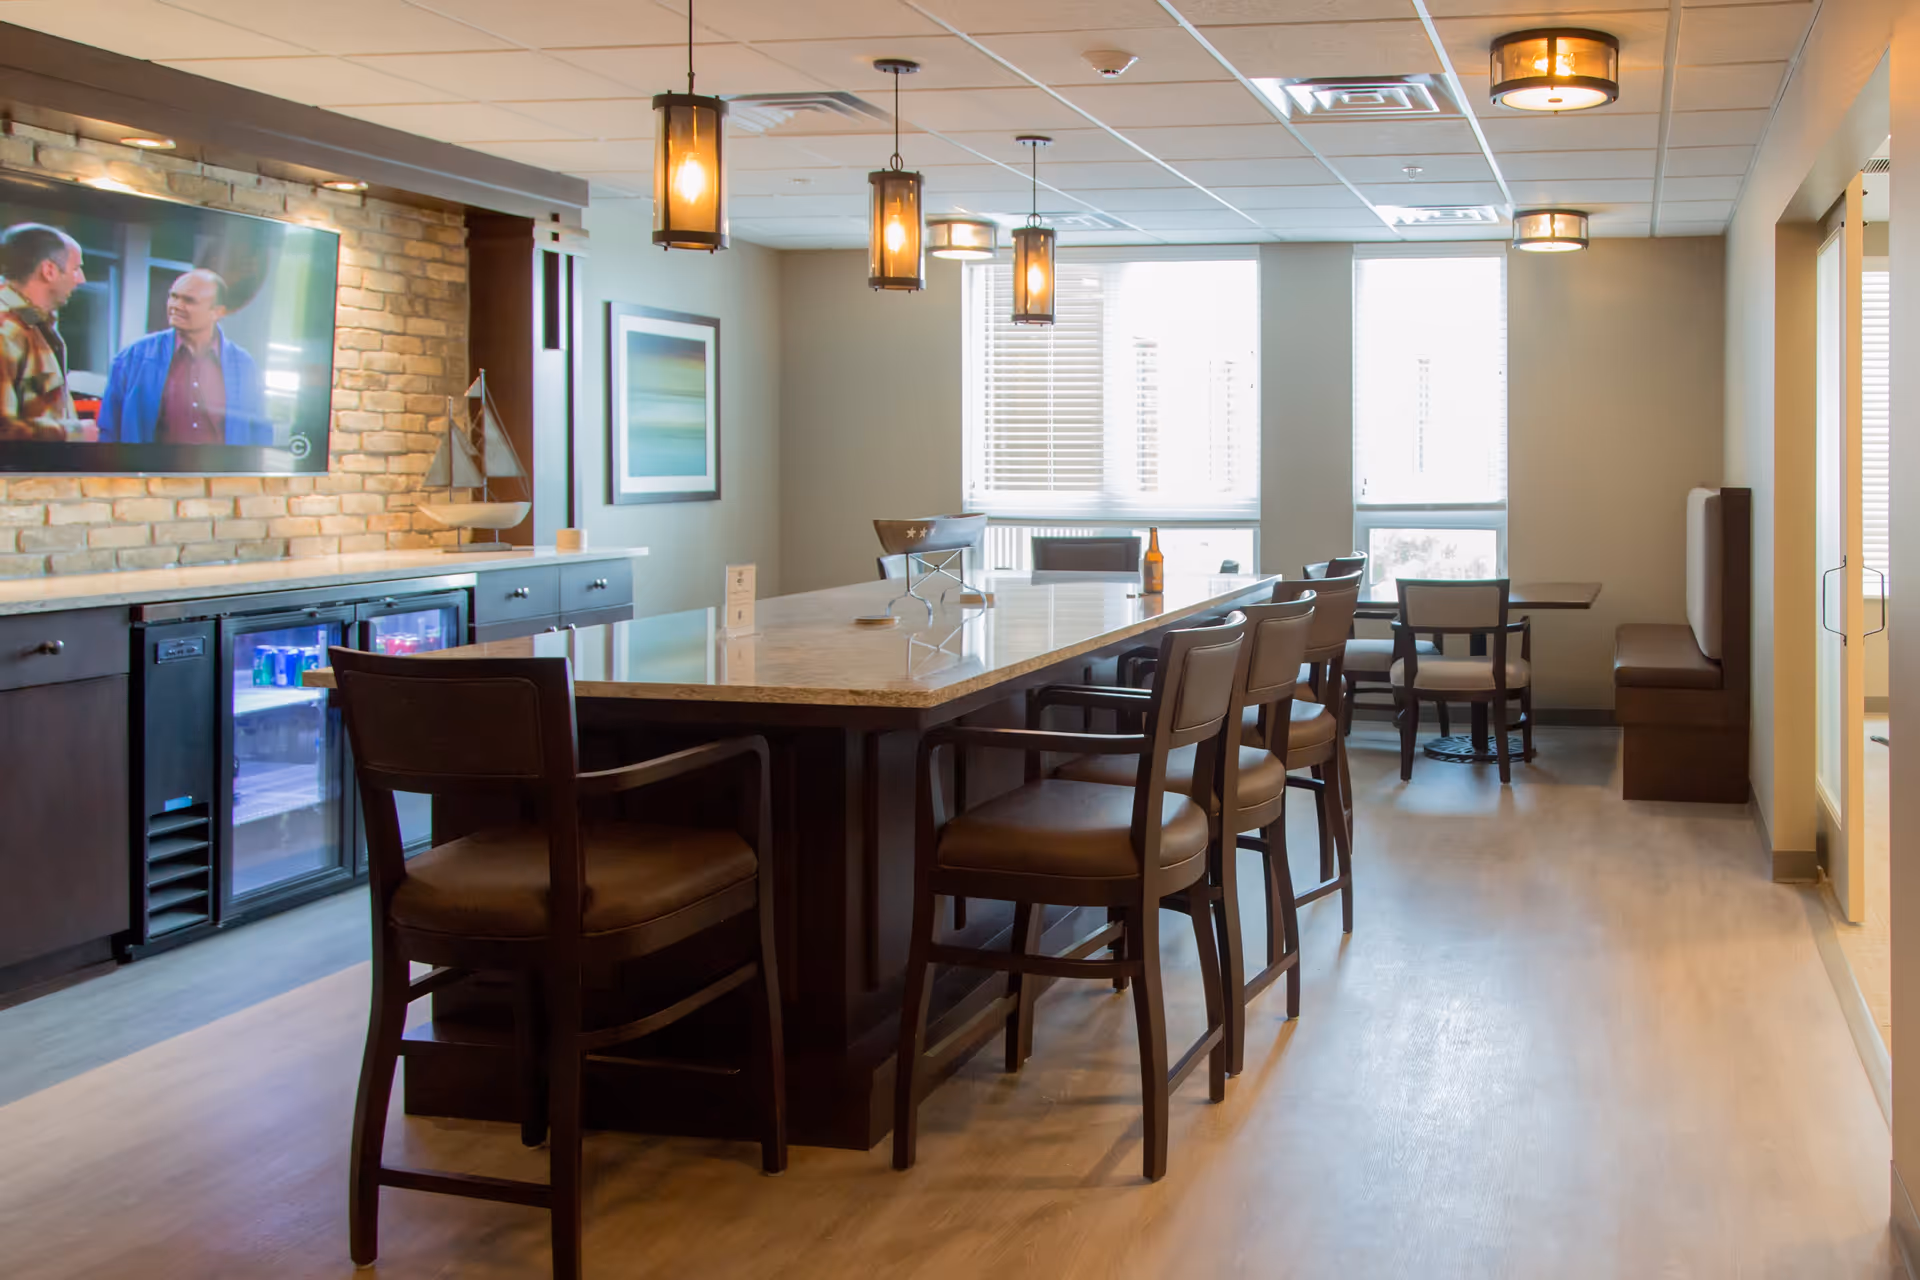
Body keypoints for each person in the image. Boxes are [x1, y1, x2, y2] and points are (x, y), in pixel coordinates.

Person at [97, 268, 271, 446]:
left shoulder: (244, 366)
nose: (176, 306)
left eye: (189, 300)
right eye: (173, 296)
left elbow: (260, 434)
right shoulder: (132, 358)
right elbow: (108, 432)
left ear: (217, 312)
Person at [0, 222, 89, 442]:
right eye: (76, 269)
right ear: (49, 271)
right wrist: (73, 433)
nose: (81, 279)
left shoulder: (33, 325)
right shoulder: (6, 330)